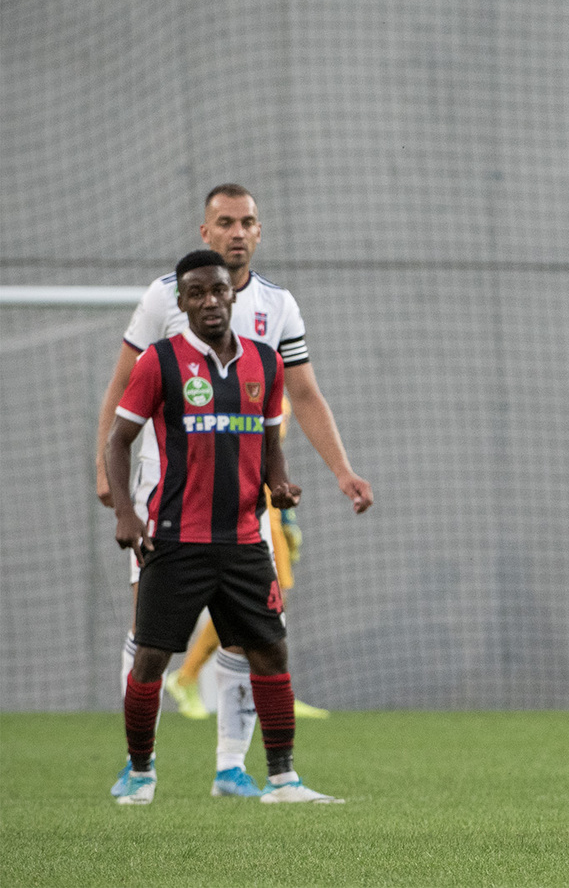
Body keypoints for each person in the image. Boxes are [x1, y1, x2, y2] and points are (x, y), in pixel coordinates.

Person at [95, 184, 372, 798]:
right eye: (225, 221)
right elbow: (121, 396)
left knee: (260, 643)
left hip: (245, 513)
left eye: (247, 221)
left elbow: (296, 402)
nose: (237, 231)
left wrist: (330, 472)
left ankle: (241, 769)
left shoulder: (274, 321)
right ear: (205, 231)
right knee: (150, 643)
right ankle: (138, 767)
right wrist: (108, 480)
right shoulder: (162, 313)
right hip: (166, 507)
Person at [162, 396, 331, 723]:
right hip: (243, 505)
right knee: (257, 600)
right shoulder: (236, 388)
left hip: (267, 505)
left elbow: (271, 455)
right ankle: (191, 677)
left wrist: (287, 519)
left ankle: (264, 688)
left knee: (272, 600)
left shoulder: (276, 389)